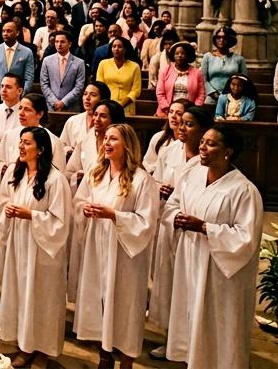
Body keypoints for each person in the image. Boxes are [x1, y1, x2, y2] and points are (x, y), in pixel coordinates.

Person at [161, 127, 264, 369]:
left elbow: (246, 238)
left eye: (211, 144)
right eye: (202, 142)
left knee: (217, 322)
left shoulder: (243, 190)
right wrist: (175, 217)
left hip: (220, 272)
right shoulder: (193, 176)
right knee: (191, 316)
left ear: (228, 152)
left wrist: (205, 227)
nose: (202, 147)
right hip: (190, 259)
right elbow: (173, 204)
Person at [71, 122, 158, 369]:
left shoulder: (142, 180)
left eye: (113, 139)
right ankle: (104, 354)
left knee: (125, 304)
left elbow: (146, 221)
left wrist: (114, 215)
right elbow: (78, 201)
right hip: (97, 246)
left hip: (125, 253)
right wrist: (85, 209)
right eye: (106, 138)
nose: (106, 143)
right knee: (100, 299)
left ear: (127, 145)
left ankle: (127, 360)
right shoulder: (95, 172)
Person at [0, 127, 74, 368]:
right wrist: (8, 211)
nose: (21, 146)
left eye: (27, 143)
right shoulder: (16, 173)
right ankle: (23, 344)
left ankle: (43, 349)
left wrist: (31, 215)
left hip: (43, 249)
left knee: (42, 298)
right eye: (20, 141)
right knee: (21, 294)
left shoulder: (55, 179)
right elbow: (2, 202)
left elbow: (61, 220)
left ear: (40, 149)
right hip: (19, 244)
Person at [147, 103, 210, 338]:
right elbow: (154, 181)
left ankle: (191, 337)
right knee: (167, 277)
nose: (181, 128)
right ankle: (170, 335)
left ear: (202, 130)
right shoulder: (169, 151)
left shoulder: (207, 158)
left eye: (189, 124)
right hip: (168, 219)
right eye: (181, 123)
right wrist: (160, 189)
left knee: (190, 281)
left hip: (193, 226)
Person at [0, 21, 36, 105]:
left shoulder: (27, 52)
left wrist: (23, 94)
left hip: (18, 97)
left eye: (9, 31)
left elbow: (29, 77)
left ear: (17, 33)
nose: (5, 34)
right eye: (3, 31)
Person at [39, 31, 87, 112]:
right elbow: (44, 84)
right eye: (57, 41)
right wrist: (54, 102)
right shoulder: (47, 61)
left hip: (71, 107)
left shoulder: (79, 63)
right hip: (51, 106)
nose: (59, 44)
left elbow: (79, 86)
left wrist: (64, 102)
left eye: (62, 42)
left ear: (70, 44)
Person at [156, 40, 205, 115]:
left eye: (183, 53)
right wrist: (168, 109)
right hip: (167, 111)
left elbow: (201, 94)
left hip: (189, 112)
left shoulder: (197, 73)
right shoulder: (165, 71)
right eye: (177, 53)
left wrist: (193, 110)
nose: (180, 55)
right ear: (173, 56)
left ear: (187, 55)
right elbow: (160, 93)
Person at [201, 26, 246, 105]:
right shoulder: (207, 57)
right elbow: (203, 79)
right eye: (218, 37)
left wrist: (232, 94)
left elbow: (244, 80)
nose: (221, 40)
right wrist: (213, 93)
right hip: (212, 97)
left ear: (230, 40)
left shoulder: (239, 59)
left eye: (224, 38)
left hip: (232, 97)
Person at [96, 36, 142, 114]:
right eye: (114, 46)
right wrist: (108, 105)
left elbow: (136, 90)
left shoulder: (135, 66)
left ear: (125, 49)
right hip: (106, 106)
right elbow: (100, 86)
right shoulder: (103, 64)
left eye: (119, 47)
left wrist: (120, 106)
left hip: (127, 106)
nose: (116, 49)